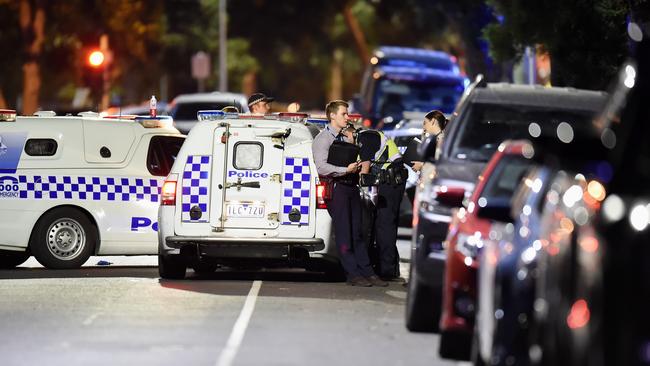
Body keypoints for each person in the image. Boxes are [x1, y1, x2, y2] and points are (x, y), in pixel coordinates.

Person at [312, 100, 387, 287]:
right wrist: (345, 169)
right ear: (332, 116)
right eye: (344, 114)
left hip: (351, 186)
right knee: (344, 232)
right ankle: (353, 274)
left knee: (358, 232)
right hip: (337, 188)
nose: (348, 117)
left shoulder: (346, 137)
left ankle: (367, 271)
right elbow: (321, 167)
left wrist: (357, 162)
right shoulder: (323, 139)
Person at [352, 127, 407, 280]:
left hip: (388, 183)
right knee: (381, 225)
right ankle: (386, 267)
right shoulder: (372, 135)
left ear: (350, 132)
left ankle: (386, 270)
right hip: (388, 182)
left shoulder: (365, 136)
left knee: (384, 226)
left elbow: (365, 166)